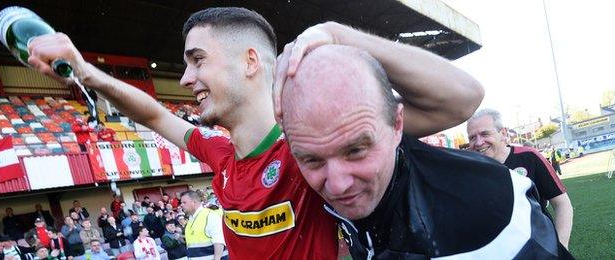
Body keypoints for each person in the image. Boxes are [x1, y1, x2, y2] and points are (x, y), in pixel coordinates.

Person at [28, 7, 482, 259]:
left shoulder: (307, 150)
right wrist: (86, 73)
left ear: (250, 62)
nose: (186, 79)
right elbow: (154, 116)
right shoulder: (221, 156)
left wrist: (338, 35)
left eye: (197, 59)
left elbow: (459, 100)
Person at [274, 35, 571, 258]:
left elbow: (465, 94)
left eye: (356, 150)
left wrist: (337, 33)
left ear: (397, 125)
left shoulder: (492, 214)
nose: (337, 186)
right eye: (312, 160)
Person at [467, 108, 574, 248]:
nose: (479, 142)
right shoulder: (469, 168)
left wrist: (561, 246)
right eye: (472, 137)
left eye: (485, 134)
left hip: (538, 246)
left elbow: (562, 204)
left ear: (503, 133)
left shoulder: (529, 157)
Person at [179, 191, 226, 259]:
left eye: (184, 202)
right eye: (181, 203)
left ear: (194, 202)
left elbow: (219, 242)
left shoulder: (209, 215)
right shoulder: (191, 219)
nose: (181, 205)